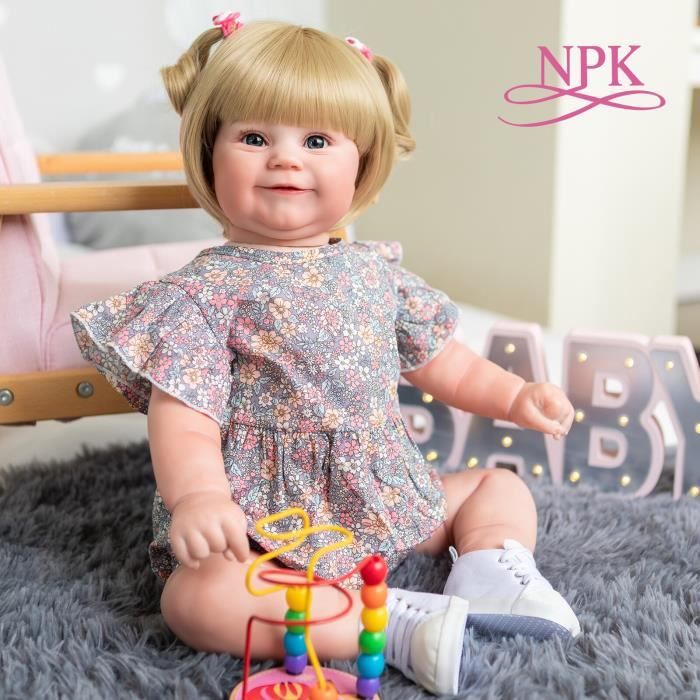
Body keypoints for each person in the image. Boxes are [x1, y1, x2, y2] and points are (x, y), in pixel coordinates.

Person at [70, 13, 579, 696]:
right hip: (263, 525)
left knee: (499, 488)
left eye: (316, 140)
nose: (286, 159)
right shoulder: (202, 294)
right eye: (254, 137)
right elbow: (184, 417)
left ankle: (490, 569)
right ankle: (386, 621)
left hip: (378, 494)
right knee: (195, 599)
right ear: (209, 152)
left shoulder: (374, 272)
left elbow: (445, 362)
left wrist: (515, 395)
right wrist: (198, 498)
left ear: (361, 160)